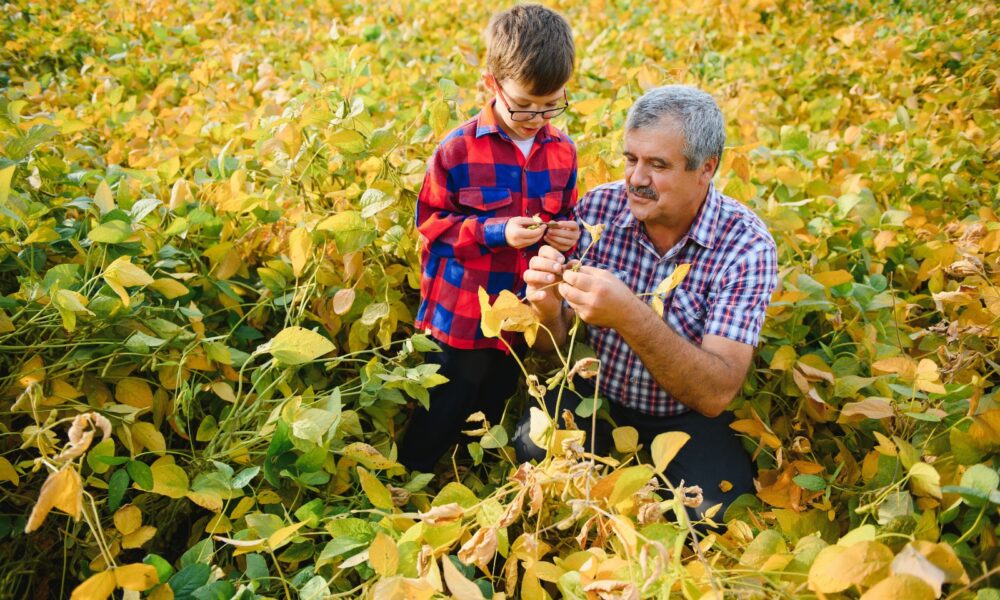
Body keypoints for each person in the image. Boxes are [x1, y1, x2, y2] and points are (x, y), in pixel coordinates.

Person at [513, 85, 778, 520]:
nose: (636, 178)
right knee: (535, 455)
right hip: (593, 397)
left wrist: (631, 315)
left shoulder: (746, 246)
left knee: (718, 513)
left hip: (684, 415)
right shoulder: (599, 209)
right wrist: (546, 310)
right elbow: (555, 350)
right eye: (631, 158)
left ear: (705, 169)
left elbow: (716, 393)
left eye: (658, 164)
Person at [399, 4, 581, 473]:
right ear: (492, 84)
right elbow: (432, 225)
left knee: (494, 400)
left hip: (517, 313)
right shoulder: (457, 150)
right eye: (524, 104)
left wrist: (565, 235)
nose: (536, 117)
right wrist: (497, 232)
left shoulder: (562, 153)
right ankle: (409, 477)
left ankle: (468, 472)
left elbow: (566, 216)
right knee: (443, 406)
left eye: (552, 104)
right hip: (459, 316)